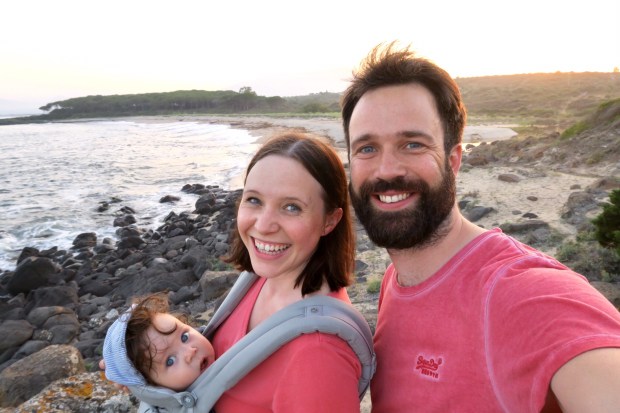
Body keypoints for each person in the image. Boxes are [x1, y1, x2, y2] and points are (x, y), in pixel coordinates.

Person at [341, 42, 620, 412]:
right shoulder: (397, 279)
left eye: (412, 144)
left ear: (453, 160)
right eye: (366, 149)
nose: (387, 169)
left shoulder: (521, 293)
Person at [211, 132, 361, 412]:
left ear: (330, 221)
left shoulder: (319, 354)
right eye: (254, 200)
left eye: (292, 207)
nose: (263, 225)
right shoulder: (258, 280)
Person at [102, 293, 216, 392]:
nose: (191, 351)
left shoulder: (216, 333)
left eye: (184, 337)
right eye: (170, 361)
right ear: (154, 387)